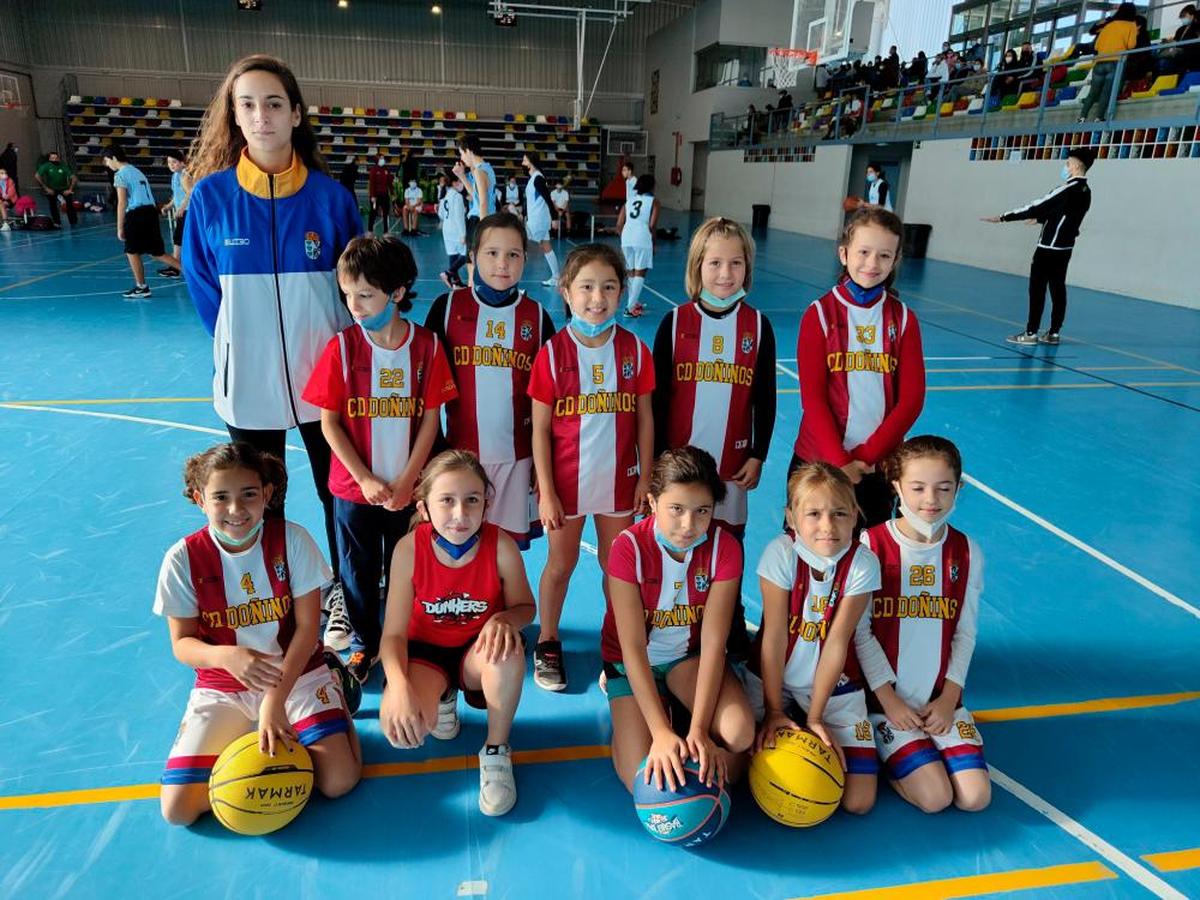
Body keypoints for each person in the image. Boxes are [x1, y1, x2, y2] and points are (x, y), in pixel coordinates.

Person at [181, 54, 363, 620]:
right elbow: (203, 286)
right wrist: (242, 345)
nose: (262, 116)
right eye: (248, 105)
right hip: (248, 383)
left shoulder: (331, 199)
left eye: (274, 103)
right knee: (262, 496)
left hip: (325, 380)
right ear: (234, 117)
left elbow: (355, 287)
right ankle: (282, 596)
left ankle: (347, 598)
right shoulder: (210, 198)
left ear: (296, 114)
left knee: (340, 495)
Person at [155, 442, 361, 826]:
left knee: (339, 782)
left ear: (266, 495)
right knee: (178, 810)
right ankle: (249, 727)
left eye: (249, 494)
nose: (236, 509)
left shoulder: (292, 541)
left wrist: (274, 700)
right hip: (222, 684)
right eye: (221, 497)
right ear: (201, 499)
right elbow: (182, 644)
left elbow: (306, 630)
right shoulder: (182, 558)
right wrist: (226, 656)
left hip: (296, 674)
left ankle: (334, 682)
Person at [302, 235, 457, 684]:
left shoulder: (426, 347)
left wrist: (410, 481)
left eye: (365, 295)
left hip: (410, 489)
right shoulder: (343, 349)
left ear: (397, 293)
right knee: (358, 572)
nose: (354, 305)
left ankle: (410, 639)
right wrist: (365, 479)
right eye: (347, 295)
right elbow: (329, 425)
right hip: (354, 490)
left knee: (409, 568)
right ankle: (366, 645)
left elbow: (431, 420)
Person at [378, 450, 536, 816]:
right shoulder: (408, 549)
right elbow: (393, 636)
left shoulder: (501, 546)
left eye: (472, 501)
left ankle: (496, 751)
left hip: (477, 651)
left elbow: (526, 608)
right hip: (425, 652)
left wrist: (505, 620)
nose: (460, 514)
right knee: (406, 729)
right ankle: (441, 694)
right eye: (447, 501)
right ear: (424, 507)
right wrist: (399, 687)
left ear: (486, 503)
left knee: (508, 651)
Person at [527, 243, 654, 692]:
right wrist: (546, 491)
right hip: (566, 483)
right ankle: (547, 639)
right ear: (566, 291)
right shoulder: (553, 353)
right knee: (559, 565)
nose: (596, 297)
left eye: (608, 287)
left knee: (615, 569)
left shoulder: (635, 352)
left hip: (620, 482)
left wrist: (645, 475)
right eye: (586, 287)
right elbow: (540, 430)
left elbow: (644, 418)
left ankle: (617, 646)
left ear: (622, 292)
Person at [604, 446, 754, 792]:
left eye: (702, 511)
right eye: (676, 509)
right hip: (631, 662)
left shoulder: (724, 548)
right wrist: (659, 733)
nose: (689, 525)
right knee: (639, 781)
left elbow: (715, 644)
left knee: (740, 735)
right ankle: (634, 716)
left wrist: (700, 731)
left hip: (689, 659)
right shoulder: (628, 548)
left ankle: (687, 718)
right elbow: (632, 647)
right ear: (653, 502)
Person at [855, 435, 990, 814]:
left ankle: (925, 747)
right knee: (935, 799)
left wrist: (949, 699)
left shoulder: (966, 552)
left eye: (943, 488)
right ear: (896, 485)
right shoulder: (871, 545)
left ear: (958, 489)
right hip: (886, 704)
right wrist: (889, 701)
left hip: (940, 703)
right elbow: (859, 633)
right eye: (918, 488)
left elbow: (965, 633)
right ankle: (889, 749)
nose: (930, 500)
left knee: (975, 798)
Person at [744, 462, 882, 815]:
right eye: (814, 514)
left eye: (839, 513)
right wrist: (774, 710)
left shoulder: (863, 563)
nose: (827, 526)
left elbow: (837, 642)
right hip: (771, 680)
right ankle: (785, 719)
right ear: (791, 518)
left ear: (855, 515)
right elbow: (774, 637)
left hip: (834, 687)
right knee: (736, 764)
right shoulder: (781, 553)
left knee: (859, 801)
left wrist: (817, 717)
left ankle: (812, 724)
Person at [424, 212, 554, 547]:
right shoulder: (447, 307)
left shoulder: (538, 318)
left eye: (513, 254)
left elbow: (549, 404)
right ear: (472, 256)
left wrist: (544, 465)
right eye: (492, 253)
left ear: (526, 258)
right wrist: (430, 456)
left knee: (504, 552)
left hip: (518, 460)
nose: (502, 264)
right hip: (457, 458)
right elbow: (423, 392)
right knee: (456, 549)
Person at [791, 208, 925, 529]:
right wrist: (840, 461)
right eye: (863, 252)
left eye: (884, 255)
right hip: (818, 461)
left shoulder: (904, 319)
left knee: (868, 560)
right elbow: (813, 399)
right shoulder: (819, 315)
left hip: (877, 467)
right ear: (844, 253)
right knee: (811, 558)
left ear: (895, 260)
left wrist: (865, 457)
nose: (871, 263)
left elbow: (911, 401)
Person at [652, 217, 776, 538]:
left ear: (747, 268)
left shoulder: (759, 327)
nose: (725, 273)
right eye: (715, 263)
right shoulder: (674, 322)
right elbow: (657, 399)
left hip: (732, 468)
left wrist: (757, 454)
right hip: (679, 467)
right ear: (697, 266)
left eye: (736, 263)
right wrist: (657, 458)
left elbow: (765, 399)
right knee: (678, 547)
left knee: (727, 553)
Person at [983, 147, 1094, 346]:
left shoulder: (1066, 189)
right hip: (1065, 248)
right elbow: (1066, 214)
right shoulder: (1086, 192)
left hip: (1048, 248)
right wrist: (1042, 219)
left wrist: (1004, 217)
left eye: (1068, 163)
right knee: (1058, 289)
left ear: (1077, 165)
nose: (1065, 166)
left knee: (1037, 289)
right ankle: (1053, 333)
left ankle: (1031, 333)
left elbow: (1036, 206)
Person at [103, 146, 182, 299]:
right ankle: (194, 275)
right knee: (157, 252)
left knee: (131, 250)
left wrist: (119, 226)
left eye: (107, 161)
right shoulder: (135, 170)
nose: (107, 165)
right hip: (151, 212)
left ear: (113, 158)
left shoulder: (120, 174)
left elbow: (122, 202)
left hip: (136, 215)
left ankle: (141, 286)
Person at [1079, 4, 1139, 122]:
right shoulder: (1131, 25)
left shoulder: (1109, 25)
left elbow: (1096, 45)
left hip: (1100, 62)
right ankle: (1099, 117)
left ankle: (1082, 117)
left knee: (1093, 92)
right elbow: (1131, 45)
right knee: (1106, 92)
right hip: (1115, 61)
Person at [615, 173, 659, 318]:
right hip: (642, 236)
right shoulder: (654, 202)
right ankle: (629, 308)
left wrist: (625, 238)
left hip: (627, 237)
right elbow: (652, 225)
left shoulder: (629, 201)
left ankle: (633, 302)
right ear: (652, 186)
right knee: (640, 272)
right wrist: (653, 243)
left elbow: (619, 225)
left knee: (631, 271)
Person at [522, 151, 560, 287]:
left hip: (538, 220)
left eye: (524, 160)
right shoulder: (534, 178)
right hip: (537, 219)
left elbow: (548, 199)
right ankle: (556, 277)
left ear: (531, 162)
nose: (522, 163)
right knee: (546, 247)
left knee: (518, 244)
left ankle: (510, 281)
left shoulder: (538, 178)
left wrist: (555, 218)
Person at [455, 135, 495, 242]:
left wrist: (483, 232)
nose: (461, 158)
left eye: (462, 154)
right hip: (487, 218)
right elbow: (475, 196)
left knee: (474, 257)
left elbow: (483, 203)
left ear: (468, 151)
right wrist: (462, 176)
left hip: (479, 220)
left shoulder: (479, 171)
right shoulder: (487, 168)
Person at [158, 149, 191, 276]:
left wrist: (182, 208)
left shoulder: (185, 175)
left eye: (174, 162)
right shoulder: (175, 176)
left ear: (182, 163)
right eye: (169, 162)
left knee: (179, 239)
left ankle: (176, 266)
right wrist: (168, 206)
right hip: (181, 212)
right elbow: (176, 195)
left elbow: (190, 192)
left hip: (188, 212)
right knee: (178, 239)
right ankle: (175, 266)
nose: (171, 165)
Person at [437, 170, 468, 288]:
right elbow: (459, 217)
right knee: (467, 254)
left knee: (453, 254)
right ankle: (448, 273)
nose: (461, 184)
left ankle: (456, 282)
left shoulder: (445, 195)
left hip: (446, 228)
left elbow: (440, 214)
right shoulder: (458, 196)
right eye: (460, 181)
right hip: (456, 229)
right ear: (454, 183)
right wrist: (463, 234)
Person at [34, 149, 78, 228]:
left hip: (64, 188)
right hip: (51, 189)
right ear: (49, 159)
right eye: (52, 158)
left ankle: (73, 221)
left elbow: (74, 178)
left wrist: (70, 189)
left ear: (59, 159)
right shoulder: (46, 166)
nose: (54, 159)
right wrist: (46, 188)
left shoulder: (63, 166)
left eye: (56, 158)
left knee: (69, 204)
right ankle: (57, 222)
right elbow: (37, 175)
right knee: (52, 204)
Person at [367, 153, 394, 235]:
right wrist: (372, 196)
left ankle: (386, 231)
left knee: (386, 213)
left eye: (383, 158)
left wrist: (392, 193)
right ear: (377, 160)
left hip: (385, 194)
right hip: (376, 196)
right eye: (381, 158)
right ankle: (370, 230)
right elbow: (372, 184)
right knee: (373, 213)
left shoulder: (386, 169)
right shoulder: (374, 170)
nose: (383, 160)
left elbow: (389, 182)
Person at [0, 165, 15, 231]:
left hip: (10, 200)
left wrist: (6, 196)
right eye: (2, 173)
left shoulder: (10, 181)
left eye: (5, 173)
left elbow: (11, 193)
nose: (4, 174)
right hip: (1, 199)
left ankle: (6, 224)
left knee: (1, 204)